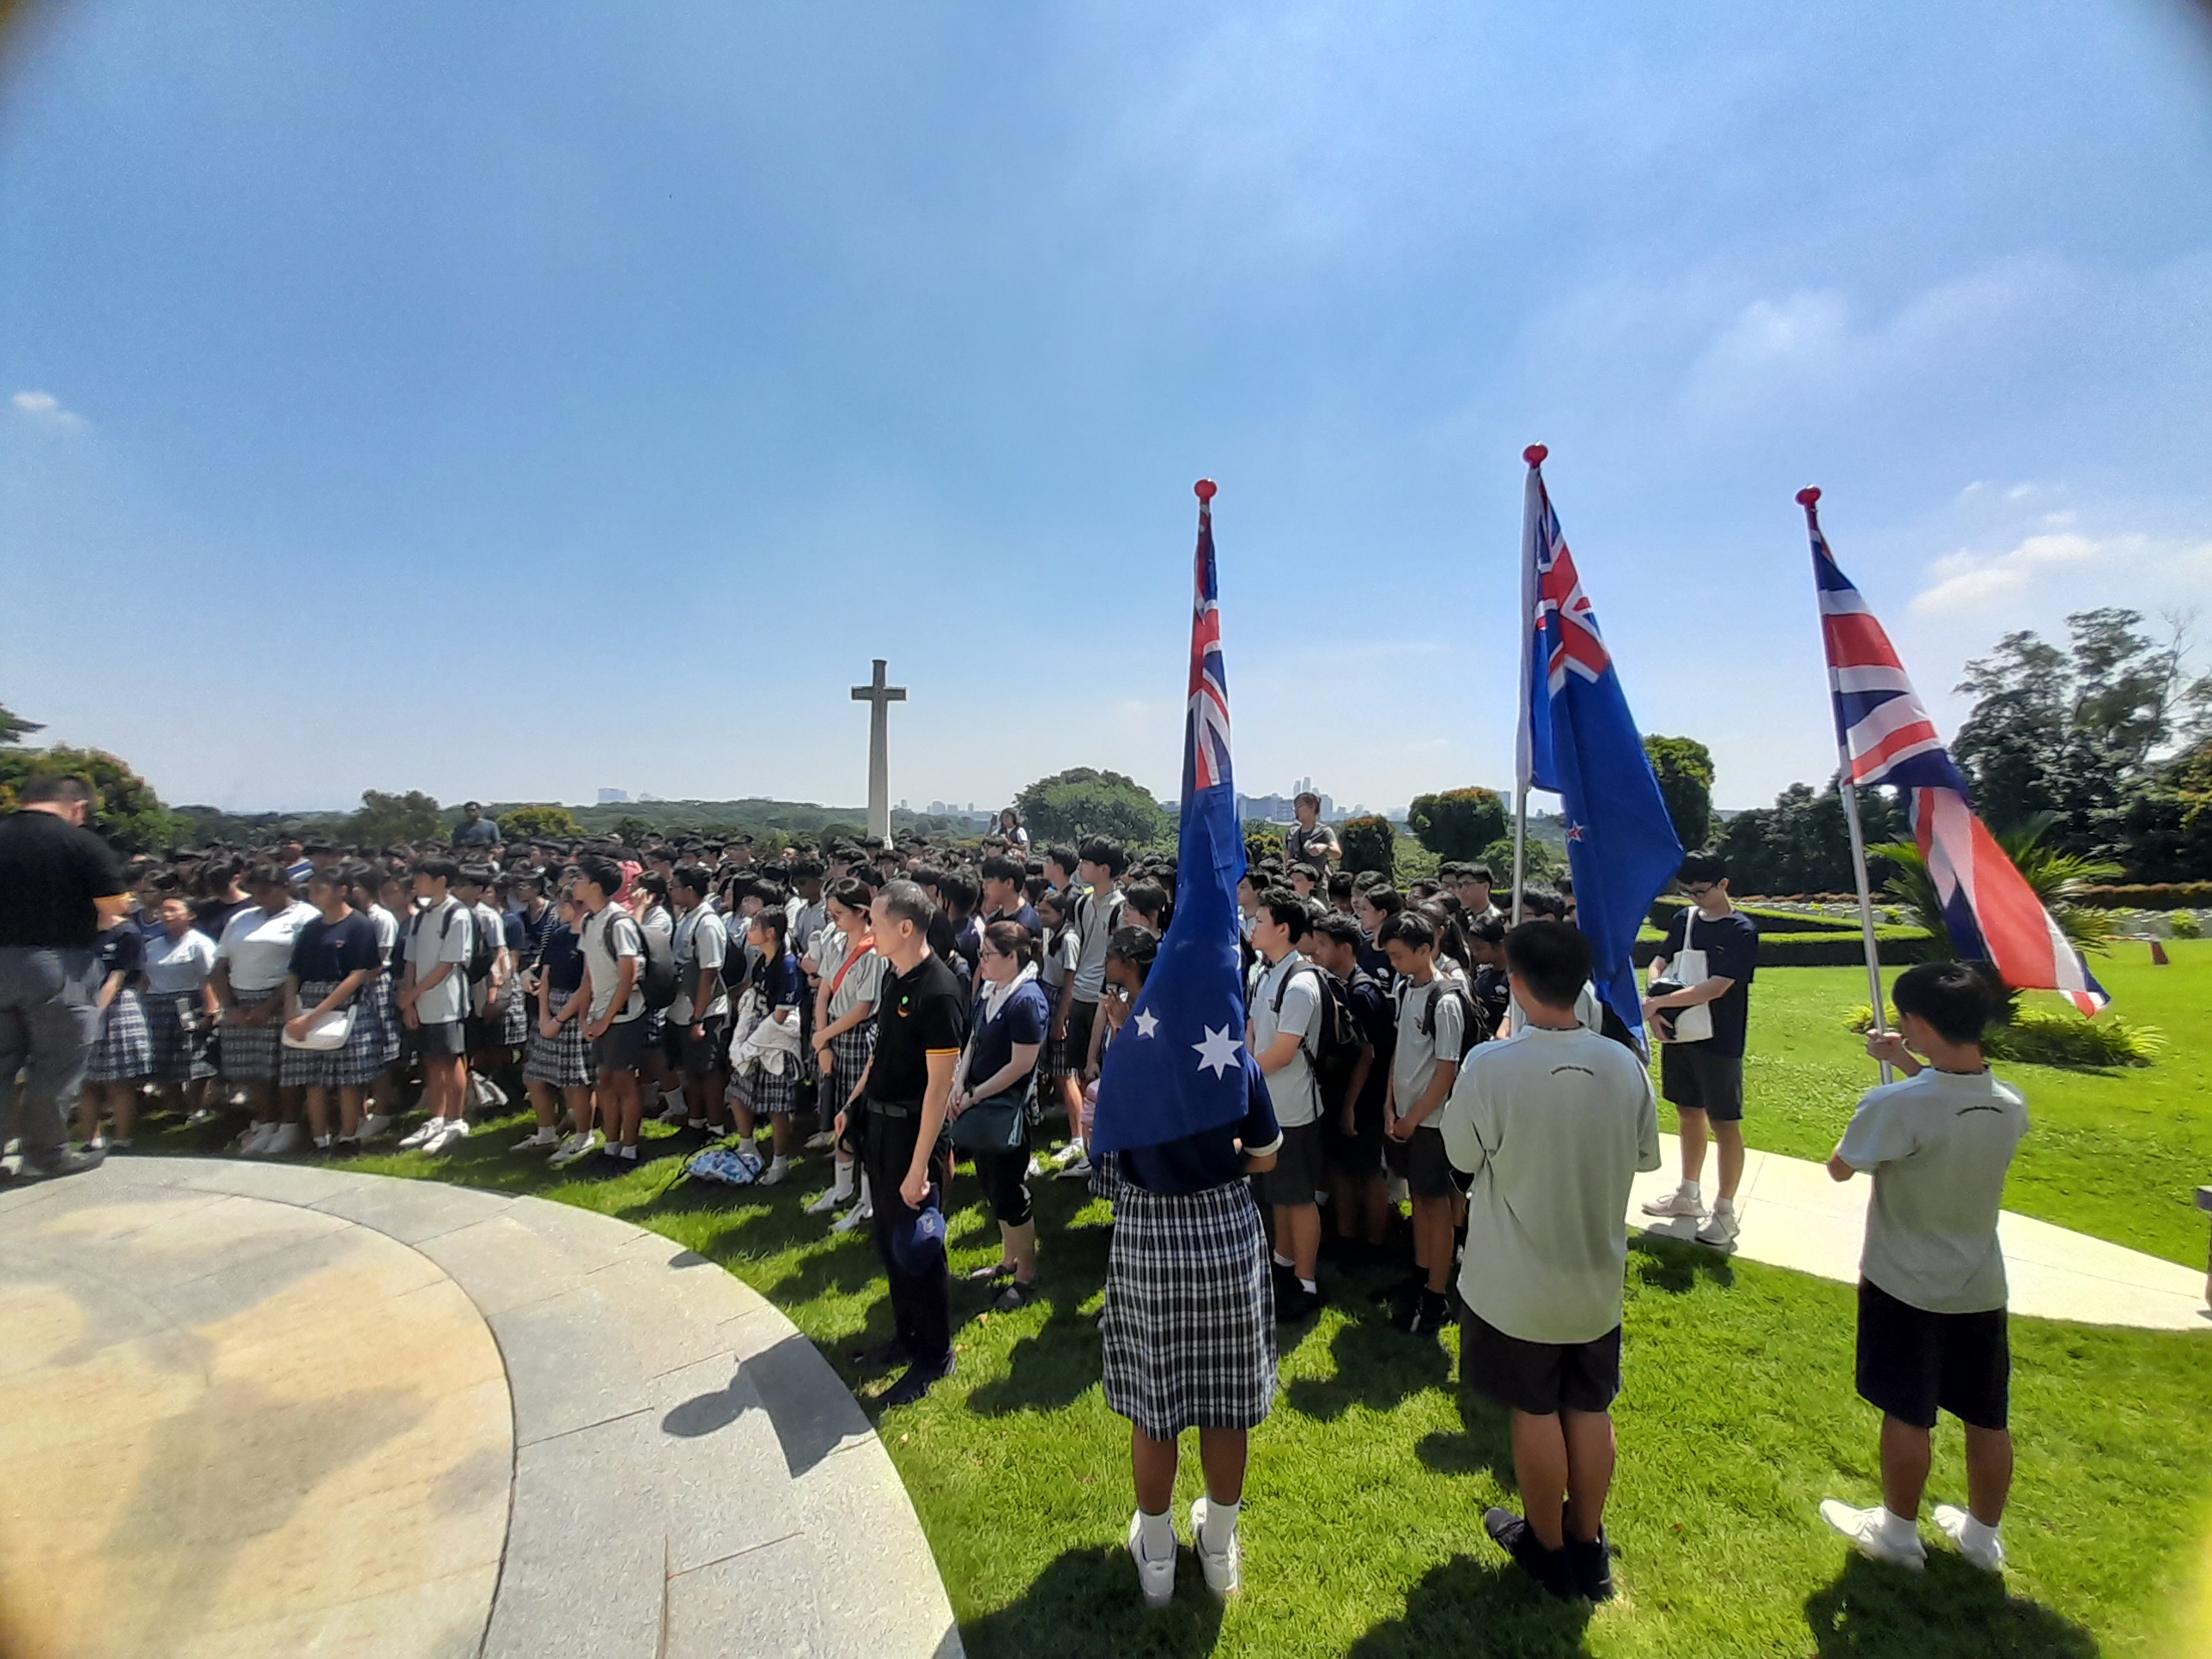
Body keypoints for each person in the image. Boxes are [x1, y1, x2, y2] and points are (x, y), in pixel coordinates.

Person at [1442, 920, 1661, 1602]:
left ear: (1515, 983)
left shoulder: (1492, 1064)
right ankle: (1587, 1542)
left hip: (1516, 1282)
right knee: (1588, 1406)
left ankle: (1546, 1543)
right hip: (1595, 1276)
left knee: (1535, 1410)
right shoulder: (1624, 1063)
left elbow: (1458, 1159)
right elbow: (1647, 1156)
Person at [1818, 962, 2027, 1576]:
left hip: (1904, 1281)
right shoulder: (2009, 1104)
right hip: (1981, 1283)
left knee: (1908, 1410)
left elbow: (1840, 1165)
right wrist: (1911, 1067)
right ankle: (1983, 1539)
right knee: (1988, 1414)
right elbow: (1951, 1107)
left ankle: (1899, 1534)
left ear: (1913, 1023)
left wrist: (1897, 1081)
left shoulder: (1893, 1104)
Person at [1101, 986, 1283, 1609]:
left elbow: (1105, 1162)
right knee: (1226, 1400)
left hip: (1150, 1231)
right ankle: (1217, 1550)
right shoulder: (1235, 1057)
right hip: (1224, 1226)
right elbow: (1266, 1155)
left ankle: (1156, 1557)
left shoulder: (1126, 1058)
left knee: (1156, 1403)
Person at [844, 879, 966, 1407]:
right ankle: (906, 1335)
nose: (868, 929)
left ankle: (935, 1354)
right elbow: (880, 1054)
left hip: (916, 1132)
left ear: (906, 927)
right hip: (880, 1124)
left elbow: (940, 1085)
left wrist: (920, 1167)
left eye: (875, 920)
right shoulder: (896, 977)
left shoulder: (938, 989)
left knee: (919, 1246)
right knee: (890, 1241)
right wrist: (852, 1107)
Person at [2, 775, 137, 1179]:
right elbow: (114, 905)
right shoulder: (80, 842)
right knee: (56, 1064)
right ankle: (44, 1155)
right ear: (78, 807)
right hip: (56, 965)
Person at [1640, 852, 1761, 1247]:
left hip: (1720, 1039)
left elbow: (1717, 987)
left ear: (1723, 884)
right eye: (1686, 891)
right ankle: (1688, 1193)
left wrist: (1658, 1004)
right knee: (1688, 1112)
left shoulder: (1741, 930)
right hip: (1679, 1033)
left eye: (1701, 891)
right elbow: (1659, 963)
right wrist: (1655, 998)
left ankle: (1725, 1210)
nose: (1693, 898)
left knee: (1725, 1122)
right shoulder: (1683, 920)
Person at [952, 920, 1050, 1311]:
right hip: (978, 1101)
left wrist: (974, 1095)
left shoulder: (1027, 1000)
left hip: (1005, 1110)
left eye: (989, 955)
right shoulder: (991, 990)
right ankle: (1008, 1258)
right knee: (992, 1187)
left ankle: (1026, 1273)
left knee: (1010, 1192)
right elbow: (974, 1040)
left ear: (1013, 957)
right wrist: (960, 1084)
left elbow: (1021, 1064)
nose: (982, 962)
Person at [1379, 910, 1469, 1334]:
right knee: (1419, 1202)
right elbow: (1401, 1050)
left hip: (1432, 1122)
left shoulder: (1446, 1000)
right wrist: (1389, 1104)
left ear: (1426, 949)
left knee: (1435, 1207)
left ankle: (1437, 1294)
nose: (1393, 963)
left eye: (1399, 955)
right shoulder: (1405, 988)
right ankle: (1419, 1277)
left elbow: (1446, 1070)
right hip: (1407, 1117)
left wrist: (1413, 1118)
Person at [1248, 887, 1326, 1322]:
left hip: (1292, 1107)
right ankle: (1283, 1263)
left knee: (1297, 1198)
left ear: (1283, 929)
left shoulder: (1300, 983)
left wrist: (1242, 1080)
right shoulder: (1267, 973)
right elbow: (1254, 1031)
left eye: (1261, 921)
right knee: (1276, 1193)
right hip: (1268, 1104)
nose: (1254, 927)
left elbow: (1282, 1053)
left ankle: (1307, 1282)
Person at [213, 863, 319, 1157]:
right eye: (254, 892)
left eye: (265, 891)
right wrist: (230, 1005)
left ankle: (289, 1125)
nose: (258, 898)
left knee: (284, 1070)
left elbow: (300, 967)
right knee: (254, 1070)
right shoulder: (241, 918)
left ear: (285, 887)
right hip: (241, 999)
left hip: (282, 998)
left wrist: (271, 1005)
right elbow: (218, 966)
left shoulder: (306, 917)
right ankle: (266, 1122)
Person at [279, 869, 384, 1153]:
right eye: (311, 889)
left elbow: (358, 973)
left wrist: (316, 1015)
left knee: (347, 1078)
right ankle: (319, 1137)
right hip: (308, 1000)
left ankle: (348, 1136)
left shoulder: (359, 925)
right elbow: (293, 972)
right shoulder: (311, 928)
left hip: (344, 1003)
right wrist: (292, 1010)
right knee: (313, 1077)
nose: (314, 894)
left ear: (342, 890)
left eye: (320, 888)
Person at [1305, 912, 1389, 1251]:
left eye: (1324, 944)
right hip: (1337, 1092)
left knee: (1368, 1171)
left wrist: (1351, 1106)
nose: (1317, 951)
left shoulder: (1362, 991)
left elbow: (1368, 1053)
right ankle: (1345, 1236)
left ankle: (1375, 1243)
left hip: (1363, 1099)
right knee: (1339, 1166)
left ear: (1347, 947)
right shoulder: (1332, 985)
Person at [806, 878, 884, 1230]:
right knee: (838, 1112)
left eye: (839, 912)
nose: (833, 918)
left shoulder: (873, 952)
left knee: (859, 1118)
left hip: (856, 1034)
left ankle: (867, 1199)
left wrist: (824, 1034)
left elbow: (864, 1007)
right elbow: (823, 990)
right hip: (832, 1031)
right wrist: (822, 1041)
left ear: (861, 912)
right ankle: (841, 1188)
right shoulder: (836, 941)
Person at [1051, 836, 1127, 1180]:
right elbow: (1080, 949)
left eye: (1086, 862)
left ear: (1105, 868)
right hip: (1081, 993)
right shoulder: (1082, 903)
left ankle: (1103, 1150)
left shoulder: (1120, 907)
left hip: (1103, 997)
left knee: (1102, 1076)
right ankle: (1085, 1146)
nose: (1080, 867)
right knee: (1080, 1072)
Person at [570, 854, 647, 1175]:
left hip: (624, 1016)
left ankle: (629, 1149)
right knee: (604, 1079)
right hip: (601, 1014)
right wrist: (585, 1015)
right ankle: (610, 1142)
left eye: (579, 879)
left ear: (595, 886)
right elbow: (589, 974)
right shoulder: (590, 921)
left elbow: (628, 976)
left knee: (624, 1081)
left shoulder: (620, 922)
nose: (574, 884)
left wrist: (605, 1018)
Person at [395, 856, 475, 1152]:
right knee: (430, 1059)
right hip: (421, 1000)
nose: (416, 883)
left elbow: (447, 964)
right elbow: (411, 960)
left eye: (422, 877)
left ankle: (456, 1119)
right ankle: (437, 1117)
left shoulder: (457, 914)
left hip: (446, 1001)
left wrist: (413, 993)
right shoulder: (421, 916)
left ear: (441, 880)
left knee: (450, 1058)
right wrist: (409, 1001)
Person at [523, 890, 599, 1163]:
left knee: (574, 1080)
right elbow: (546, 973)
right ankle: (546, 1132)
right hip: (550, 1007)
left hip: (575, 1010)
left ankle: (583, 1135)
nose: (558, 908)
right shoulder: (559, 934)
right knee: (534, 1075)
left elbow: (586, 985)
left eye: (563, 903)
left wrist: (559, 1019)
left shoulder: (592, 936)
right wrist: (545, 1016)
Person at [733, 907, 804, 1183]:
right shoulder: (761, 962)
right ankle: (747, 1146)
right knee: (737, 1093)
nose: (749, 931)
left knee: (777, 1106)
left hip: (777, 1044)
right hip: (755, 1039)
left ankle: (780, 1161)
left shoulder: (787, 965)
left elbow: (783, 1012)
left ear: (770, 932)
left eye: (755, 926)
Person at [142, 892, 221, 1124]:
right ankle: (174, 1109)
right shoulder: (152, 946)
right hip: (157, 1004)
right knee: (163, 1059)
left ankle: (197, 1108)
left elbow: (209, 976)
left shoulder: (200, 943)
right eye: (163, 910)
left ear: (191, 915)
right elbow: (145, 979)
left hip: (189, 1002)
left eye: (173, 909)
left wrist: (212, 1008)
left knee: (193, 1057)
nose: (166, 915)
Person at [77, 908, 150, 1151]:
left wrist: (96, 1013)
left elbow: (117, 978)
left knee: (118, 1080)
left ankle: (122, 1138)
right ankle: (91, 1140)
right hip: (81, 1000)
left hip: (117, 1003)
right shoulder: (78, 930)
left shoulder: (127, 933)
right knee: (84, 1081)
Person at [667, 863, 732, 1134]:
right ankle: (695, 1120)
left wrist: (699, 1017)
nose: (671, 891)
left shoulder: (707, 924)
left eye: (675, 886)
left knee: (709, 1070)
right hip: (682, 1007)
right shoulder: (686, 917)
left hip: (705, 1010)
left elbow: (710, 973)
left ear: (690, 890)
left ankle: (715, 1125)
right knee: (691, 1070)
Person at [1285, 792, 1339, 871]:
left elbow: (1337, 853)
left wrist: (1325, 848)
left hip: (1316, 881)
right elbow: (1287, 856)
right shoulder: (1292, 832)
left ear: (1312, 807)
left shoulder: (1324, 831)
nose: (1296, 810)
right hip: (1294, 879)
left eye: (1299, 806)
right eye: (1295, 807)